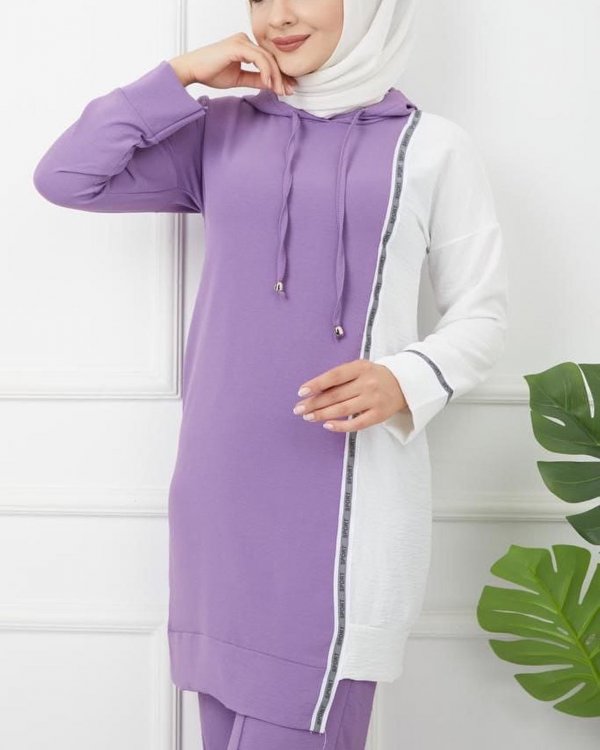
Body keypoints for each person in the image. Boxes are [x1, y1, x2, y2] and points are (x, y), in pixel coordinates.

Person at [32, 0, 509, 747]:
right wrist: (179, 75)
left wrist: (406, 377)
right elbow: (67, 176)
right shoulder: (220, 132)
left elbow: (484, 315)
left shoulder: (432, 148)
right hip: (220, 499)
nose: (277, 15)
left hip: (343, 505)